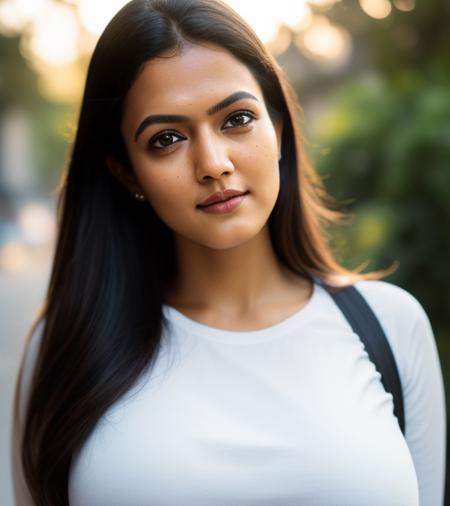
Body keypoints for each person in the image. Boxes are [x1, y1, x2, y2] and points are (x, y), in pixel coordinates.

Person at [11, 0, 446, 504]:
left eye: (237, 119)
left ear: (278, 130)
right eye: (166, 139)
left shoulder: (391, 327)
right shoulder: (66, 344)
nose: (213, 163)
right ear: (127, 172)